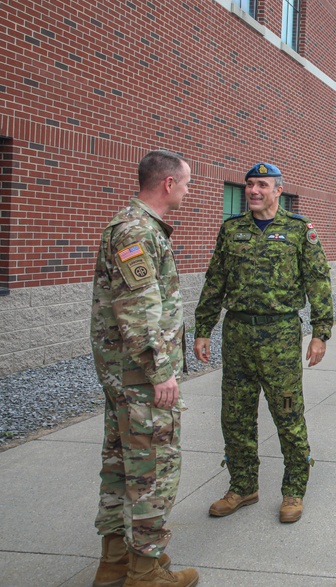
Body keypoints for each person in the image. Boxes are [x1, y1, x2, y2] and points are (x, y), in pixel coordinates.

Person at [194, 162, 333, 524]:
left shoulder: (299, 230)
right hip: (238, 334)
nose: (253, 191)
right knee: (235, 416)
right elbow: (215, 281)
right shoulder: (231, 230)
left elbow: (318, 282)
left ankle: (293, 490)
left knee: (287, 414)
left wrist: (320, 332)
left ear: (277, 191)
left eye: (262, 185)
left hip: (281, 336)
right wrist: (203, 328)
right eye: (249, 185)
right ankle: (242, 486)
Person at [90, 150, 199, 587]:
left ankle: (115, 561)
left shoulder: (134, 227)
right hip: (140, 376)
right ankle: (145, 571)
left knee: (120, 463)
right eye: (187, 182)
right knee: (154, 468)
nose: (189, 190)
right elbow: (138, 310)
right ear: (168, 184)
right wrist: (161, 371)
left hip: (125, 373)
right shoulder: (136, 232)